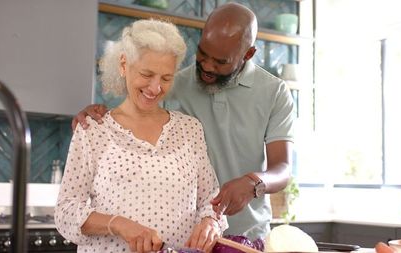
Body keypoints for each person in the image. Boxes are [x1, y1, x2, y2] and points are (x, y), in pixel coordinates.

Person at [73, 2, 294, 240]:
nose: (208, 66)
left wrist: (254, 183)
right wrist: (96, 114)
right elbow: (132, 115)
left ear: (248, 54)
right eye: (203, 53)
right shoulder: (173, 84)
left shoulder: (275, 92)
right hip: (190, 239)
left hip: (249, 236)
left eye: (221, 62)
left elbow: (282, 169)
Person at [55, 19, 227, 253]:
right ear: (124, 65)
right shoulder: (93, 129)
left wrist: (210, 222)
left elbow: (210, 199)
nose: (155, 88)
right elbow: (66, 212)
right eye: (147, 74)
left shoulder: (190, 130)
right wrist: (118, 225)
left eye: (166, 78)